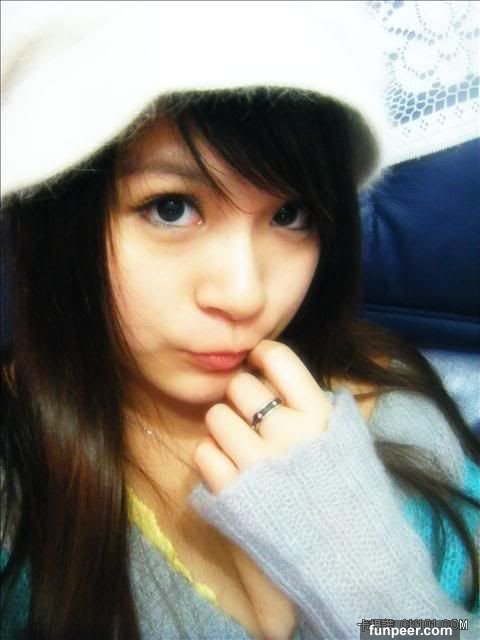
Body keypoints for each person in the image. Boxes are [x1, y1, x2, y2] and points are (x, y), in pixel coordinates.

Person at [1, 2, 479, 639]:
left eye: (290, 215)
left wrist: (367, 586)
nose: (245, 295)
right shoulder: (19, 477)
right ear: (57, 222)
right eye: (171, 207)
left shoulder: (393, 399)